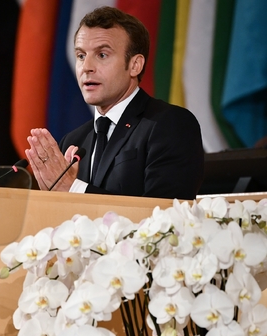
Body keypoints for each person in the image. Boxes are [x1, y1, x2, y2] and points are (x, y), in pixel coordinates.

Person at [25, 6, 204, 200]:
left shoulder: (170, 124)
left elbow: (163, 212)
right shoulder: (73, 141)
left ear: (135, 65)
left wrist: (73, 189)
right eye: (81, 56)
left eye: (102, 55)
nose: (86, 67)